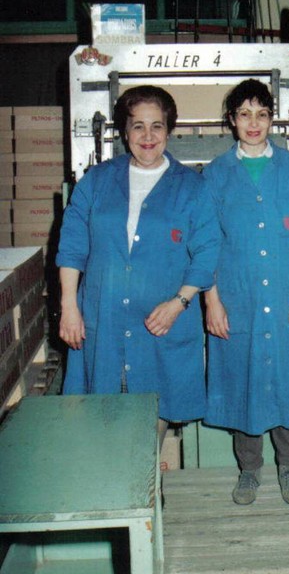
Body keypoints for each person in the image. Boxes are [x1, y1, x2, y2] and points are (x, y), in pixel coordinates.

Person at [56, 85, 220, 446]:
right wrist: (69, 306)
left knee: (150, 425)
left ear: (169, 130)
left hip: (161, 324)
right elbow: (71, 246)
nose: (148, 136)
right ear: (124, 131)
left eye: (157, 126)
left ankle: (146, 478)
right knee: (99, 423)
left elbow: (208, 252)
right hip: (103, 320)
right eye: (138, 126)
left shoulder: (193, 188)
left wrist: (179, 302)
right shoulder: (97, 181)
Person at [203, 79, 289, 505]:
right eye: (244, 114)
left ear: (272, 119)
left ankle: (288, 466)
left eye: (261, 114)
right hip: (237, 297)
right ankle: (249, 470)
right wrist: (212, 300)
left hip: (288, 294)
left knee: (287, 379)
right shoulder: (215, 174)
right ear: (232, 120)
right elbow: (207, 242)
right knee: (244, 380)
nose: (253, 123)